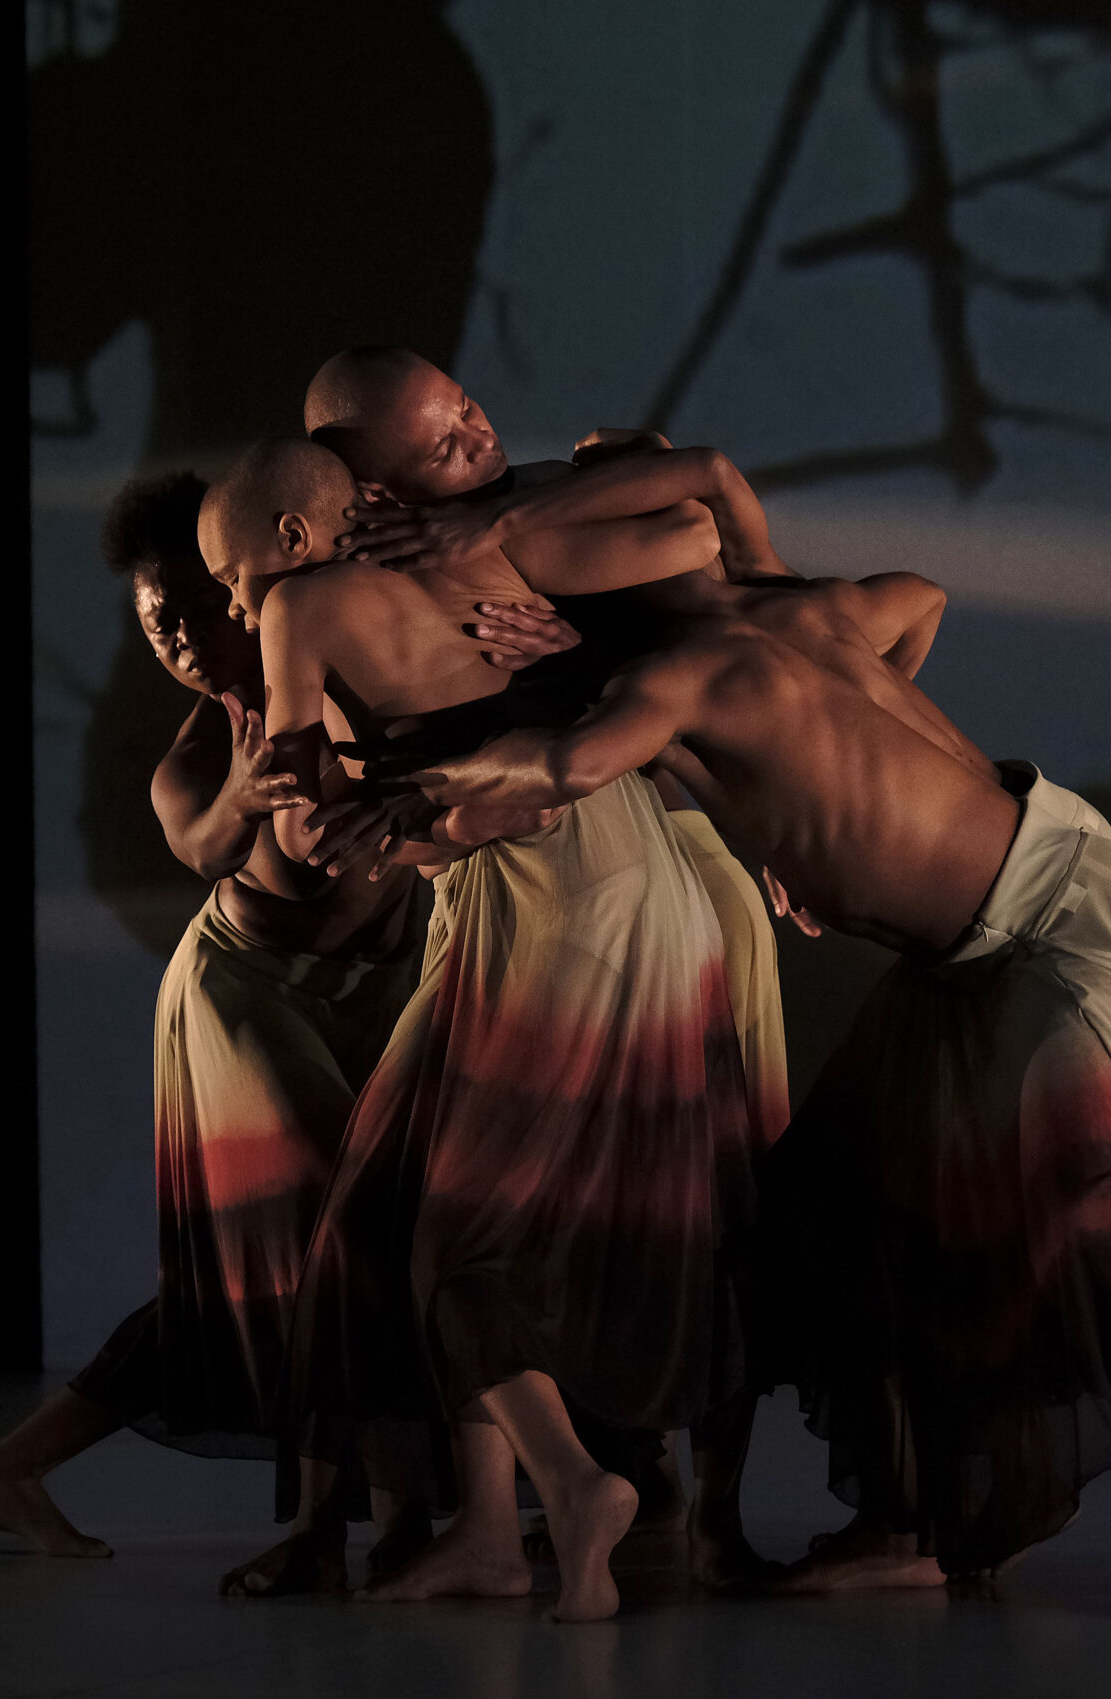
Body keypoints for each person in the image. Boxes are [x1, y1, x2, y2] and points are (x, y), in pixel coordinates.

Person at [391, 448, 1111, 1630]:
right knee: (823, 1201)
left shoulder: (680, 679)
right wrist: (813, 822)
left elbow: (560, 763)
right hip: (965, 956)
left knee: (1089, 1203)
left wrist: (396, 781)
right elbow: (923, 594)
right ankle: (909, 1525)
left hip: (1059, 924)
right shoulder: (799, 604)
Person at [0, 470, 579, 1594]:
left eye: (201, 605)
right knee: (327, 1244)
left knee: (330, 1253)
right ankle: (350, 1524)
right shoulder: (212, 743)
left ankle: (24, 1468)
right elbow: (193, 839)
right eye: (159, 625)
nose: (188, 639)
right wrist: (248, 794)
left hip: (382, 975)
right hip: (247, 995)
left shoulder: (358, 649)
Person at [200, 435, 762, 1621]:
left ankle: (577, 1488)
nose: (230, 599)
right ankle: (495, 1526)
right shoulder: (492, 544)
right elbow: (696, 531)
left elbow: (303, 822)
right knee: (392, 1192)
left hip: (560, 896)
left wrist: (291, 798)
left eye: (229, 571)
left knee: (454, 1232)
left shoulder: (300, 603)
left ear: (294, 540)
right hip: (593, 865)